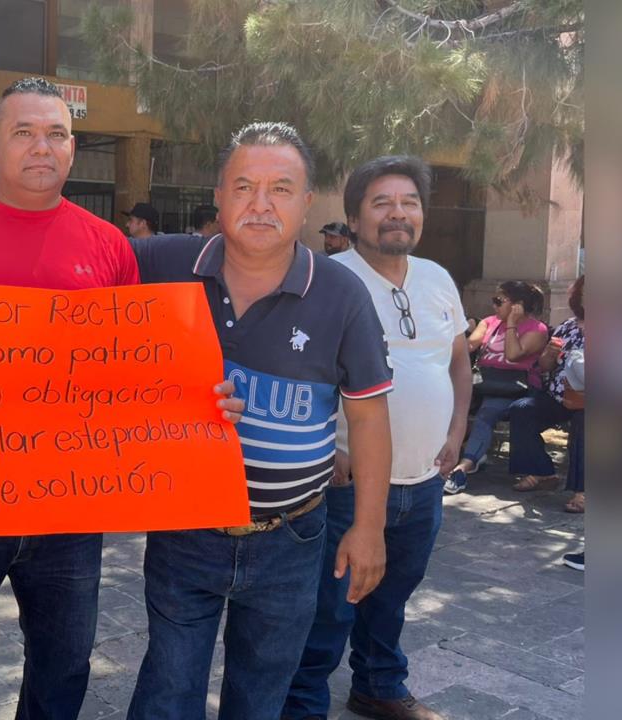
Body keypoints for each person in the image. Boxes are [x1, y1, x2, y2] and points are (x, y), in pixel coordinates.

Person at [0, 76, 242, 720]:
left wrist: (198, 403)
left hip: (69, 507)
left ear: (72, 150)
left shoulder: (107, 248)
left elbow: (133, 371)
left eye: (57, 134)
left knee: (65, 662)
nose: (41, 147)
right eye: (24, 133)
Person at [128, 122, 393, 720]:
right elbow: (70, 290)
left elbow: (370, 414)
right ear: (218, 197)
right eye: (244, 186)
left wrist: (369, 527)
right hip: (184, 532)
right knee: (167, 690)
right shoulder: (160, 262)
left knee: (260, 696)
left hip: (293, 537)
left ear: (307, 203)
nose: (260, 204)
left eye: (280, 188)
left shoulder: (342, 294)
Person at [284, 155, 472, 720]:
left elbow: (458, 361)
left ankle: (379, 686)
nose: (398, 214)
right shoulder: (327, 281)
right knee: (330, 607)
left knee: (392, 598)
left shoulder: (438, 278)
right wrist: (330, 446)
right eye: (382, 203)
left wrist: (458, 427)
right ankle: (301, 704)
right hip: (347, 488)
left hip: (423, 483)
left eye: (409, 203)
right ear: (355, 217)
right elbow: (294, 371)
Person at [443, 281, 548, 495]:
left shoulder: (537, 329)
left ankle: (464, 466)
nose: (494, 306)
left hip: (513, 386)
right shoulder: (489, 322)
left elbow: (513, 355)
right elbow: (469, 346)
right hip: (483, 381)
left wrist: (511, 323)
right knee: (445, 401)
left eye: (499, 301)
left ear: (517, 305)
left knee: (486, 413)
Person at [507, 276, 584, 508]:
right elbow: (545, 366)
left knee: (586, 421)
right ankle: (542, 472)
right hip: (561, 396)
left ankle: (584, 490)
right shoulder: (568, 326)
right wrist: (549, 353)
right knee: (521, 409)